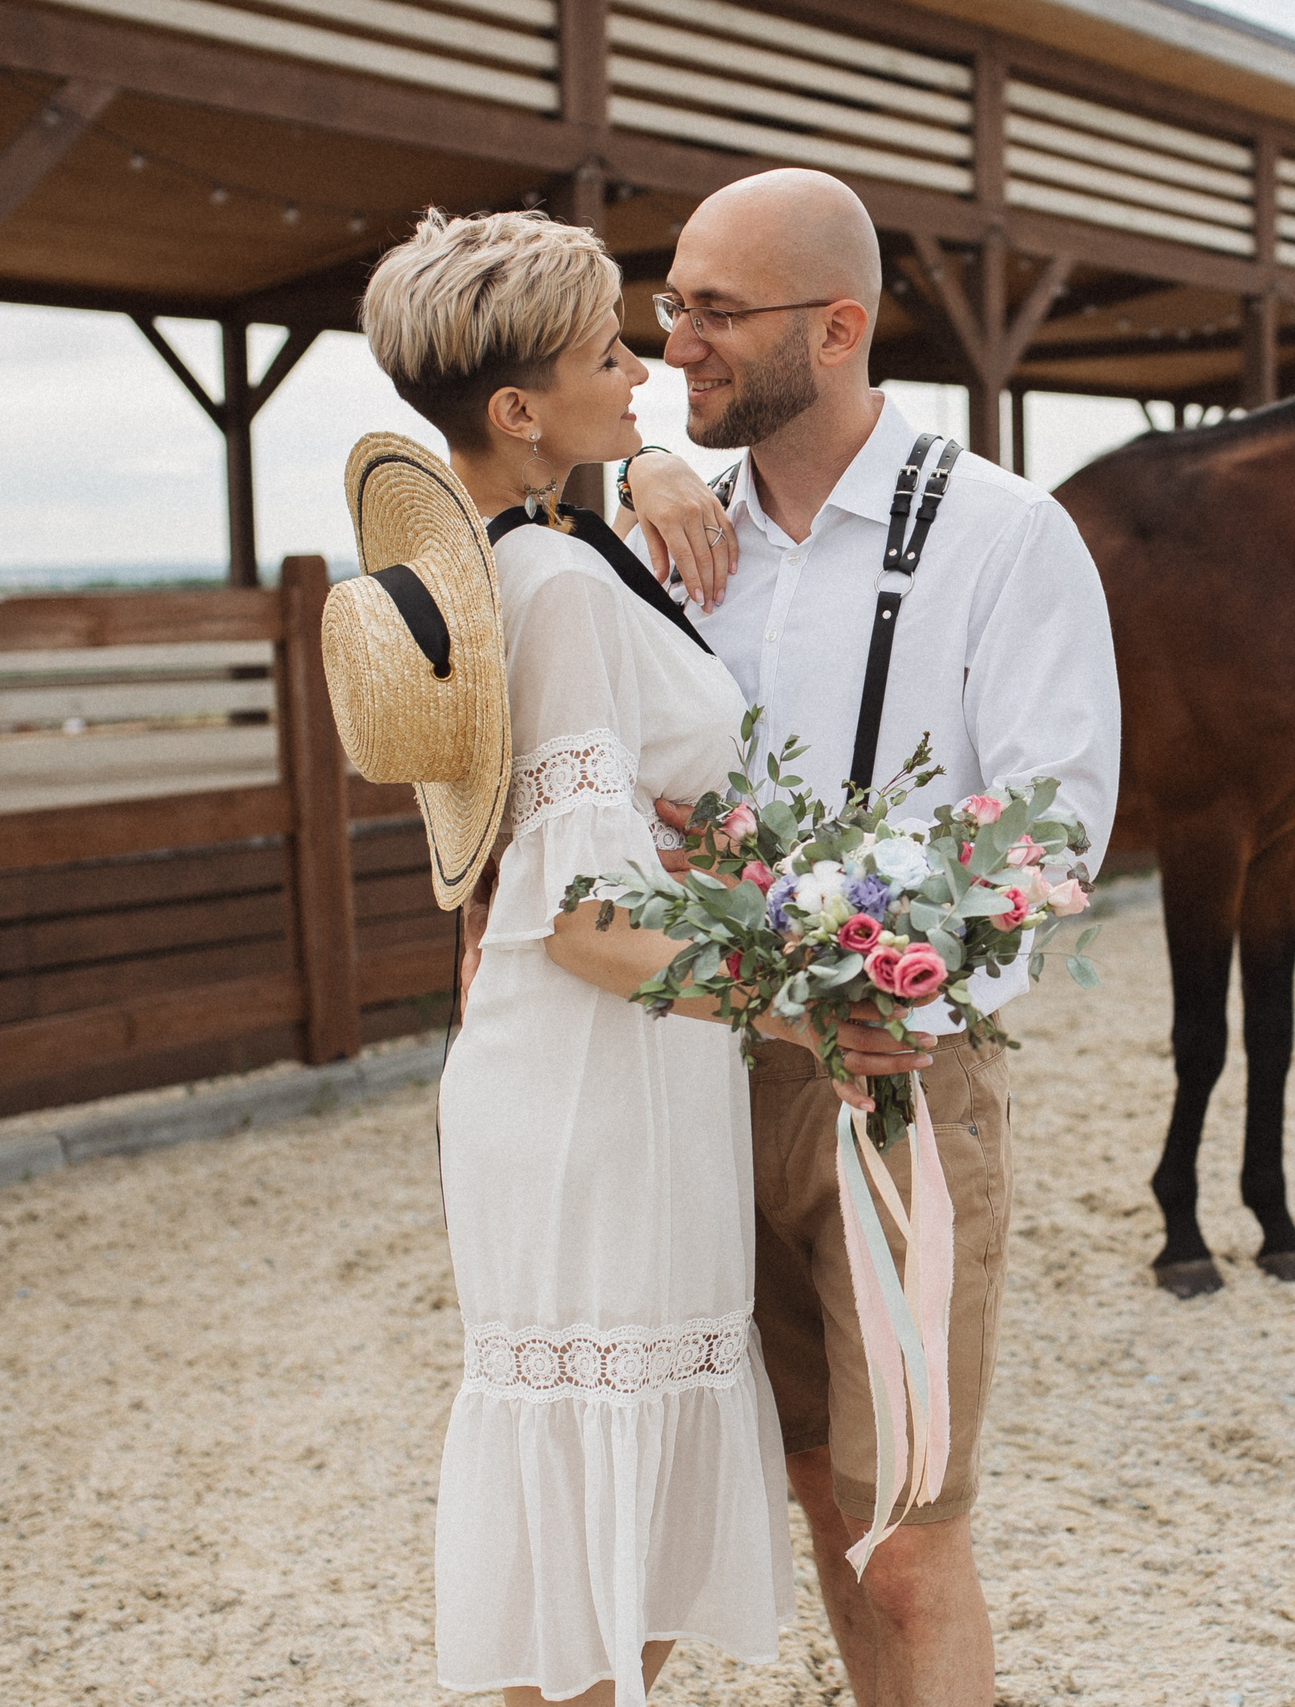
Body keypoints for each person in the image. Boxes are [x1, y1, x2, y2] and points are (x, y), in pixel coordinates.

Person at [357, 207, 882, 1705]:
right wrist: (809, 1014)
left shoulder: (506, 561)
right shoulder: (566, 591)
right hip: (603, 1085)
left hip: (559, 1074)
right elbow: (586, 924)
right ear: (522, 411)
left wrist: (639, 473)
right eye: (608, 355)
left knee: (589, 1517)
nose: (645, 369)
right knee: (610, 1538)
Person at [629, 168, 1122, 1706]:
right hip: (702, 1086)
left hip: (891, 1085)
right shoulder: (662, 537)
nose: (679, 345)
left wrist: (906, 985)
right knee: (817, 1498)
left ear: (838, 327)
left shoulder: (1001, 534)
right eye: (674, 304)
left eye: (717, 312)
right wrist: (622, 479)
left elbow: (1052, 829)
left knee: (905, 1535)